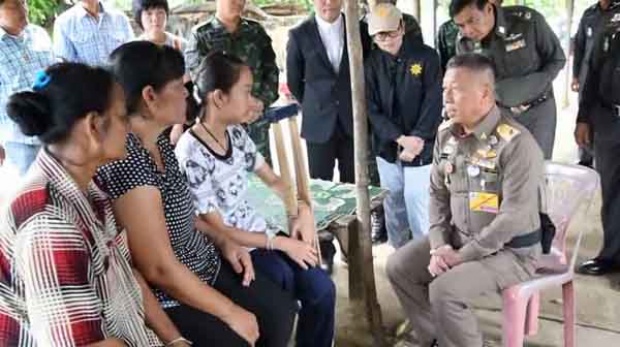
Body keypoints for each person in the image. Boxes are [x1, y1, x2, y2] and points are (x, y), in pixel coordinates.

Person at [96, 41, 296, 346]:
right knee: (239, 335)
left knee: (279, 311)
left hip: (203, 263)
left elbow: (186, 215)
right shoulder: (130, 161)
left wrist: (223, 239)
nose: (188, 94)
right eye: (179, 86)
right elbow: (158, 268)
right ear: (150, 97)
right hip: (169, 295)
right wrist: (230, 311)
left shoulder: (160, 142)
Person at [0, 63, 190, 346]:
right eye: (123, 116)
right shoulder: (49, 223)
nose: (129, 126)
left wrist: (174, 340)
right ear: (93, 126)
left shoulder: (88, 186)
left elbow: (126, 274)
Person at [175, 51, 336, 347]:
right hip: (234, 249)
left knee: (322, 289)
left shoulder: (235, 135)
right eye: (246, 92)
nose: (253, 102)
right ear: (219, 98)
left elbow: (274, 181)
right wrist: (282, 242)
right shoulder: (191, 152)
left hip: (262, 235)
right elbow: (218, 229)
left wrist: (301, 209)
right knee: (282, 282)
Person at [386, 53, 544, 347]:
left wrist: (461, 256)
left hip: (510, 253)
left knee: (445, 290)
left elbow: (513, 219)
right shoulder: (446, 135)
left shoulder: (518, 145)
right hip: (459, 238)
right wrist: (439, 245)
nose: (445, 96)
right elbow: (436, 193)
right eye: (444, 88)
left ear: (484, 93)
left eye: (455, 89)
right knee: (398, 267)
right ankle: (435, 339)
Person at [365, 3, 443, 249]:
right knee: (393, 201)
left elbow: (433, 101)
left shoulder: (426, 57)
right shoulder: (370, 63)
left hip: (422, 144)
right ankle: (399, 254)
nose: (386, 38)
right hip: (388, 146)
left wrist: (417, 139)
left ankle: (426, 257)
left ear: (402, 27)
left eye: (390, 31)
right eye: (379, 34)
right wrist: (400, 139)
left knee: (417, 202)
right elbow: (371, 110)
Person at [452, 0, 565, 159]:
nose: (468, 30)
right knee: (500, 168)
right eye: (461, 25)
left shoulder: (527, 21)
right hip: (498, 115)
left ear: (489, 9)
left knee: (537, 167)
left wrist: (535, 84)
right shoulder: (464, 43)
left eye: (472, 20)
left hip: (538, 111)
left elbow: (557, 59)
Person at [286, 0, 371, 184]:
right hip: (318, 122)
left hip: (353, 120)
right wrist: (316, 102)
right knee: (320, 186)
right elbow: (294, 81)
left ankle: (355, 215)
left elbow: (369, 73)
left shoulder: (361, 30)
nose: (328, 3)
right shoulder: (299, 35)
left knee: (355, 184)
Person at [185, 0, 277, 164]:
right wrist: (235, 110)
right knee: (226, 181)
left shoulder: (256, 32)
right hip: (221, 130)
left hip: (255, 122)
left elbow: (271, 72)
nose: (238, 2)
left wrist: (261, 102)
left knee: (262, 182)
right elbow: (201, 86)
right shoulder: (200, 36)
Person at [575, 2, 620, 276]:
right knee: (612, 191)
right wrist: (583, 117)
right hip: (608, 119)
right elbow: (590, 72)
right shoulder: (610, 27)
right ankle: (611, 255)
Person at [132, 0, 198, 145]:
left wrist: (178, 124)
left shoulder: (181, 45)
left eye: (160, 12)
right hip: (147, 121)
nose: (155, 19)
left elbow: (187, 87)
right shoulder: (132, 51)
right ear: (139, 17)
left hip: (179, 116)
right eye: (149, 13)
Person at [0, 0, 55, 174]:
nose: (23, 9)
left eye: (23, 2)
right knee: (37, 193)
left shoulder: (39, 34)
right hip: (21, 140)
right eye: (14, 6)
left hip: (56, 126)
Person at [572, 0, 614, 168]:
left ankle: (602, 158)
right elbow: (579, 46)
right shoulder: (589, 14)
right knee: (584, 116)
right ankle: (585, 158)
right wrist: (576, 75)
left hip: (606, 77)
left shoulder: (616, 14)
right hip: (587, 76)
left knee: (602, 115)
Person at [53, 0, 134, 65]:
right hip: (88, 84)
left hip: (122, 82)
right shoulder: (64, 23)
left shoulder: (119, 18)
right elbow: (65, 65)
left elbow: (132, 53)